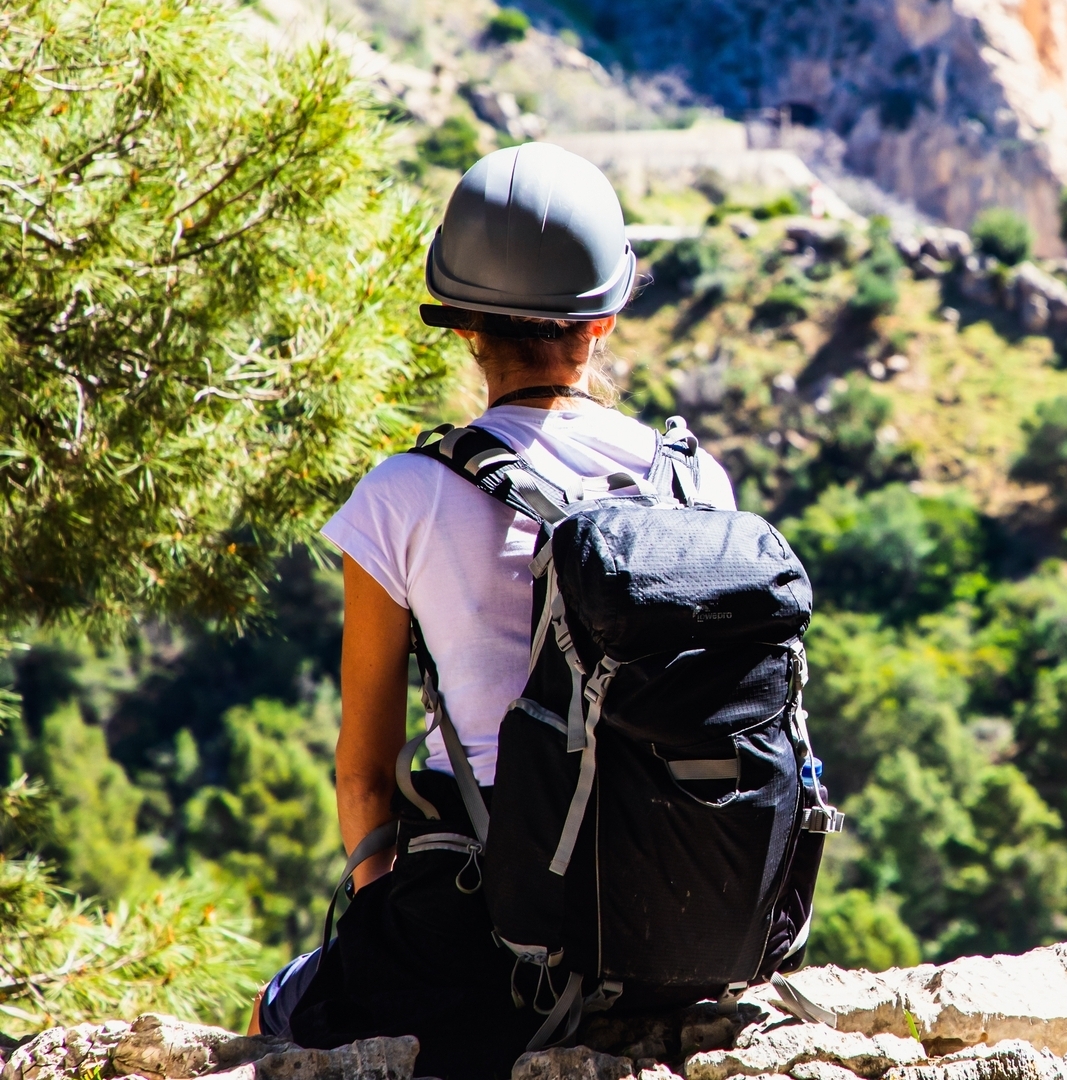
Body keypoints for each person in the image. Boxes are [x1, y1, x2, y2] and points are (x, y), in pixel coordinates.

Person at [247, 143, 734, 1079]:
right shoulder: (696, 482)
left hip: (484, 941)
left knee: (286, 1003)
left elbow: (365, 780)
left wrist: (393, 926)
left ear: (463, 325)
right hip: (680, 928)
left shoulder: (404, 496)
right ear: (608, 317)